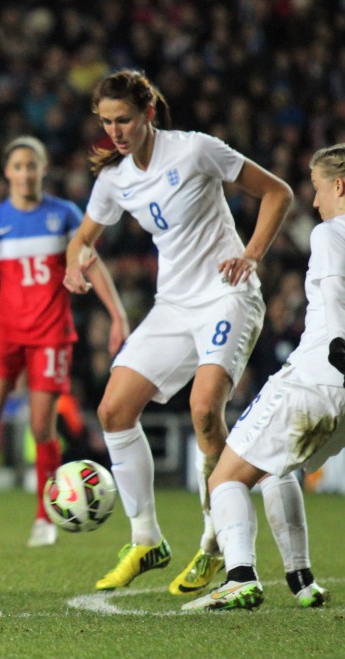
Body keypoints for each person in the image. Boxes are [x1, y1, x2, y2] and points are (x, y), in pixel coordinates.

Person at [64, 70, 296, 594]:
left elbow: (277, 193)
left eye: (124, 120)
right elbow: (82, 239)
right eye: (106, 122)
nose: (115, 132)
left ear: (148, 114)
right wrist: (75, 264)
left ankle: (215, 543)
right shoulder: (115, 179)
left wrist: (251, 255)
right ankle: (146, 540)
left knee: (204, 409)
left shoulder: (195, 150)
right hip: (173, 306)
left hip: (227, 294)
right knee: (113, 411)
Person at [0, 136, 129, 548]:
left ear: (43, 169)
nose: (25, 173)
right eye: (18, 166)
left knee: (41, 426)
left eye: (31, 165)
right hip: (4, 333)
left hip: (50, 335)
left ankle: (44, 517)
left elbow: (91, 263)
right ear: (8, 172)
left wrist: (117, 314)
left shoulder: (65, 214)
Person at [182, 144, 345, 611]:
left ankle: (239, 577)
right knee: (276, 467)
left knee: (225, 477)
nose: (314, 201)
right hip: (340, 394)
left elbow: (335, 291)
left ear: (339, 186)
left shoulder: (330, 233)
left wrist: (339, 347)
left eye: (317, 189)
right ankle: (302, 580)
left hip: (318, 376)